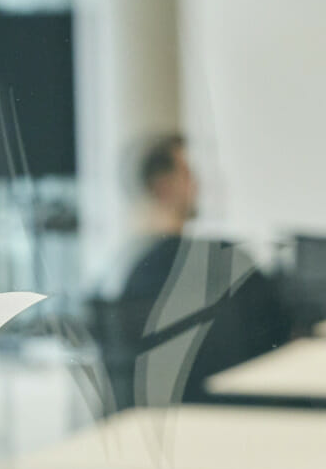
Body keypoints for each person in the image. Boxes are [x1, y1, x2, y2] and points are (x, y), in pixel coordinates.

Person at [96, 133, 292, 408]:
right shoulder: (224, 260)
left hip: (163, 430)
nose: (197, 184)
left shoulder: (119, 280)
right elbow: (281, 335)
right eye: (188, 173)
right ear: (164, 186)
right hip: (237, 416)